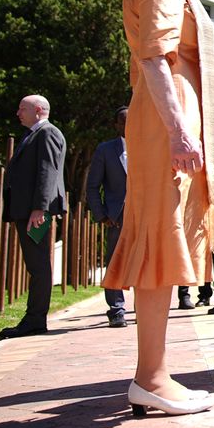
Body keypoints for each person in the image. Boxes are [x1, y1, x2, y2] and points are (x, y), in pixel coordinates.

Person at [102, 0, 214, 416]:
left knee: (162, 235)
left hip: (167, 111)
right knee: (159, 234)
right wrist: (180, 131)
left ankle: (151, 375)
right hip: (165, 116)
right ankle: (150, 377)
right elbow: (155, 55)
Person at [0, 95, 66, 339]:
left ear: (38, 110)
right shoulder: (34, 134)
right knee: (35, 264)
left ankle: (35, 319)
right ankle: (34, 318)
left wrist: (39, 208)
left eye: (22, 108)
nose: (18, 113)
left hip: (35, 213)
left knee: (38, 266)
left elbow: (47, 171)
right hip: (29, 211)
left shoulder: (47, 132)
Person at [86, 106, 129, 328]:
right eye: (123, 121)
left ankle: (145, 309)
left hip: (145, 215)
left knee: (146, 261)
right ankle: (116, 309)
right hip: (117, 217)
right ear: (116, 125)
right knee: (115, 262)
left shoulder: (149, 147)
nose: (128, 125)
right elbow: (92, 186)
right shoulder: (105, 150)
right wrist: (102, 214)